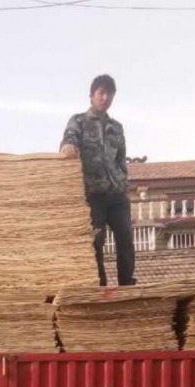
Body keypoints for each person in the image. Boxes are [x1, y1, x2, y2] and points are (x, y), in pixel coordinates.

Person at [60, 74, 136, 286]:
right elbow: (69, 139)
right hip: (93, 194)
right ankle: (100, 286)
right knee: (96, 241)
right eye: (101, 93)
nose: (105, 97)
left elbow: (121, 160)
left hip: (117, 195)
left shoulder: (117, 128)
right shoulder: (79, 121)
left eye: (109, 94)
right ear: (91, 95)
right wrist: (69, 146)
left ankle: (127, 284)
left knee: (126, 239)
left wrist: (124, 185)